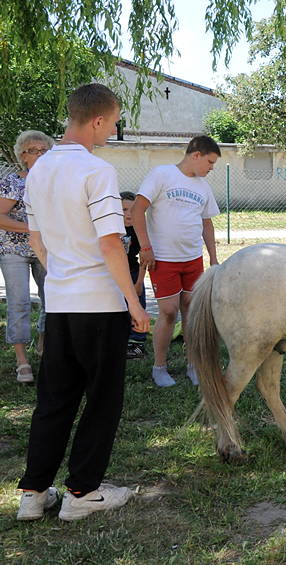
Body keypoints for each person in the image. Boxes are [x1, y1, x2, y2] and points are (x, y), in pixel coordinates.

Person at [16, 83, 150, 522]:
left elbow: (36, 240)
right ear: (97, 120)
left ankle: (34, 493)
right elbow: (110, 243)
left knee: (55, 398)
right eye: (113, 124)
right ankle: (82, 493)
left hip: (59, 302)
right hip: (100, 304)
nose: (112, 132)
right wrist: (133, 302)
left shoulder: (38, 170)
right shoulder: (97, 170)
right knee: (102, 399)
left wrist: (62, 275)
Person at [132, 135, 220, 387]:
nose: (211, 168)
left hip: (192, 259)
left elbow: (207, 224)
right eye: (210, 162)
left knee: (191, 312)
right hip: (163, 259)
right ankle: (159, 367)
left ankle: (193, 365)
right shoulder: (162, 174)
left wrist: (213, 258)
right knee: (169, 312)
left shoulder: (203, 187)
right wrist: (145, 247)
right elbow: (137, 210)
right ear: (196, 155)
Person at [0, 130, 52, 383]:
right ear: (23, 156)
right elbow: (0, 217)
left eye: (44, 150)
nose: (40, 155)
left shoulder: (56, 183)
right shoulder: (14, 182)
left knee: (52, 300)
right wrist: (32, 229)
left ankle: (44, 345)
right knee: (19, 303)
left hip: (47, 249)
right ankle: (22, 361)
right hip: (14, 250)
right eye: (34, 150)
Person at [120, 191, 148, 359]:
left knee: (138, 305)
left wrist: (139, 282)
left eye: (132, 210)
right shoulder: (112, 229)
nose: (128, 214)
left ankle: (137, 343)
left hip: (133, 272)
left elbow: (144, 258)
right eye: (124, 210)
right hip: (113, 275)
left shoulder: (139, 230)